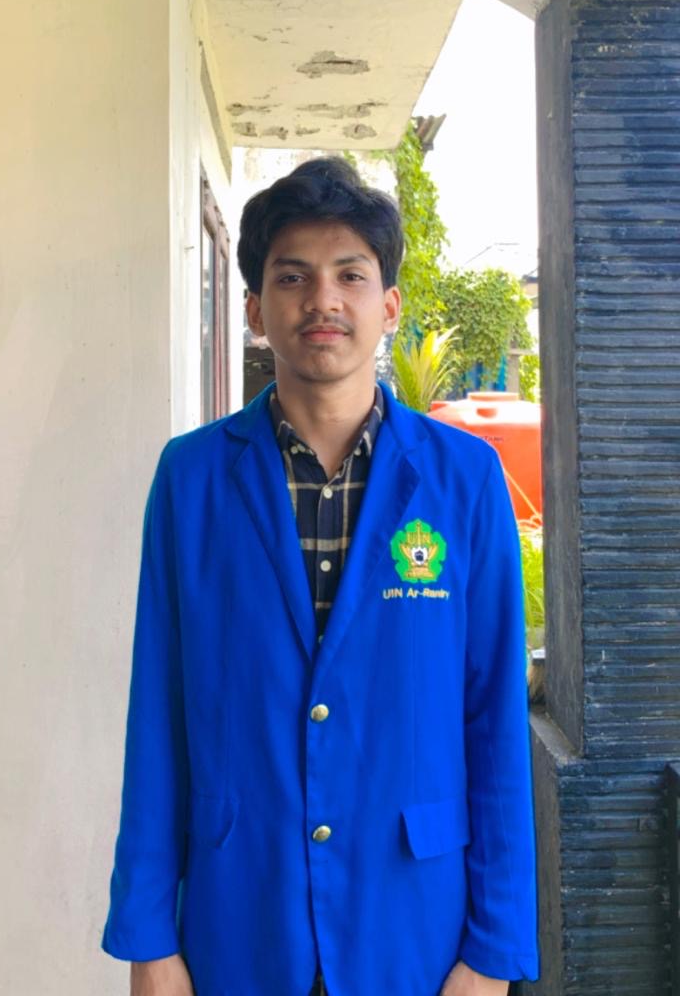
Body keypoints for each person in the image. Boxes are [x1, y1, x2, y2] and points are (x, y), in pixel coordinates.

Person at [102, 157, 539, 995]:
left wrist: (495, 951)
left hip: (415, 923)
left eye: (350, 275)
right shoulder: (192, 479)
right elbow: (157, 712)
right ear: (255, 310)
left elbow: (494, 719)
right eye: (293, 277)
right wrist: (147, 940)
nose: (323, 300)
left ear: (390, 306)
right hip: (239, 918)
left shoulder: (465, 479)